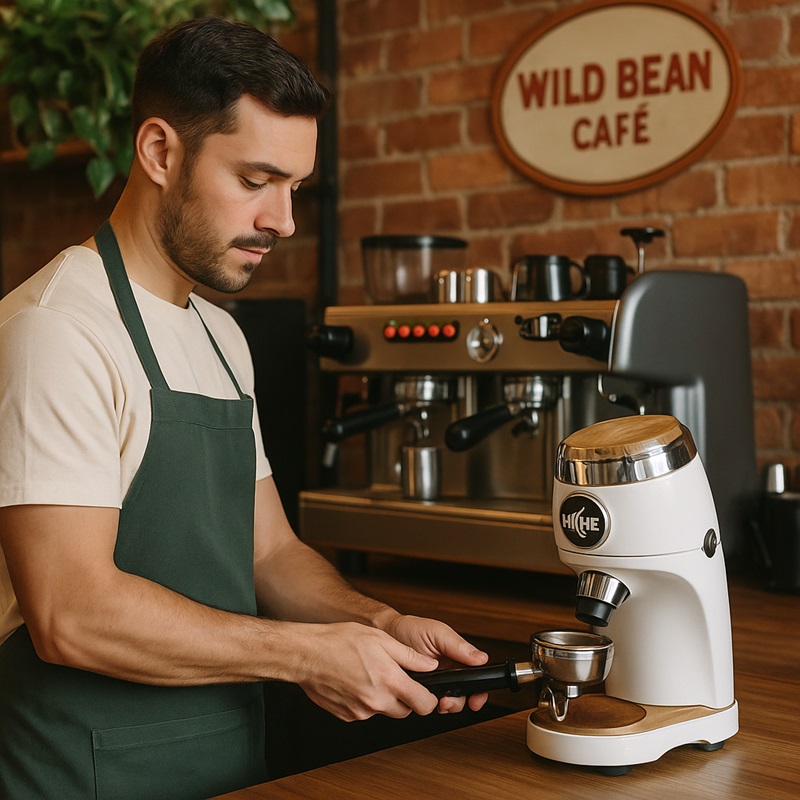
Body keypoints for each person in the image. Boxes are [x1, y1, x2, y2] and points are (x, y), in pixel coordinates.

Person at [0, 16, 489, 799]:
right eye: (255, 181)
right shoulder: (56, 330)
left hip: (228, 767)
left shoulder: (223, 337)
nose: (282, 221)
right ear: (160, 152)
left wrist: (372, 625)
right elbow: (71, 612)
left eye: (294, 188)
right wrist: (306, 656)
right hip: (80, 774)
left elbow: (269, 555)